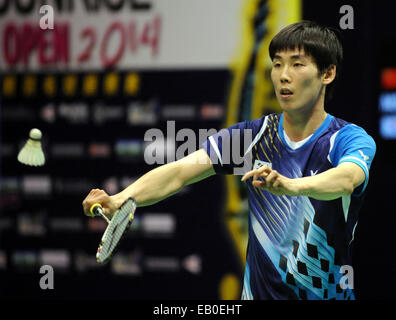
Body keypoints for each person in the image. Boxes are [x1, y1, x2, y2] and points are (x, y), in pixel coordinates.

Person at [82, 21, 376, 300]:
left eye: (297, 64)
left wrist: (292, 186)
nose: (284, 75)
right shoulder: (254, 136)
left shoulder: (348, 139)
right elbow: (180, 172)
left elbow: (347, 179)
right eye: (277, 64)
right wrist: (122, 198)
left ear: (327, 74)